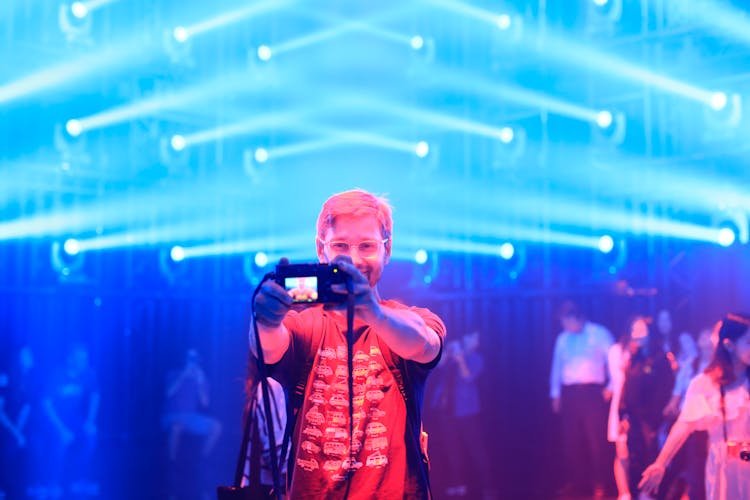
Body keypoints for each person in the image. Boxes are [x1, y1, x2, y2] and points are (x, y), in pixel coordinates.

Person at [250, 189, 446, 499]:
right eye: (340, 245)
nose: (353, 260)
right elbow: (268, 346)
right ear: (321, 249)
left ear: (387, 249)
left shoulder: (408, 318)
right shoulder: (305, 324)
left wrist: (374, 313)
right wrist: (265, 320)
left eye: (367, 246)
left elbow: (424, 343)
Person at [640, 313, 750, 500]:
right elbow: (684, 425)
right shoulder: (704, 382)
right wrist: (660, 463)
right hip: (724, 465)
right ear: (729, 344)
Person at [549, 300, 614, 498]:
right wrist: (555, 394)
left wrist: (611, 386)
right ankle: (577, 483)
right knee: (572, 441)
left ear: (576, 318)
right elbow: (557, 367)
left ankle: (600, 483)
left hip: (593, 393)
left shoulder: (599, 333)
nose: (565, 326)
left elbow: (614, 360)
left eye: (566, 321)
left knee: (597, 441)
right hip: (570, 393)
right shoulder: (563, 339)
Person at [617, 316, 674, 498]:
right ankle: (638, 493)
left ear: (650, 332)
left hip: (652, 420)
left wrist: (656, 420)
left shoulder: (660, 359)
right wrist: (623, 414)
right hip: (634, 420)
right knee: (634, 458)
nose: (636, 334)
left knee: (652, 457)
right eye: (634, 330)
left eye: (641, 330)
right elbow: (626, 387)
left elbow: (664, 390)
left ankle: (651, 494)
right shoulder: (634, 358)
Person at [42, 342, 100, 498]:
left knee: (91, 436)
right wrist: (61, 429)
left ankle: (80, 480)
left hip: (76, 419)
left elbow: (95, 396)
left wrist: (90, 421)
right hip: (55, 421)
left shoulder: (88, 374)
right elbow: (46, 405)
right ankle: (52, 483)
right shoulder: (57, 374)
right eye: (80, 359)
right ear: (70, 359)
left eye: (85, 359)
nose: (84, 362)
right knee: (62, 441)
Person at [163, 348, 222, 462]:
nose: (192, 362)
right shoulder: (174, 373)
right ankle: (172, 462)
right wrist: (183, 375)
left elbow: (205, 403)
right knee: (176, 427)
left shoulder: (201, 378)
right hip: (171, 416)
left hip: (190, 417)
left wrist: (200, 382)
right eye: (190, 358)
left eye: (195, 359)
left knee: (216, 427)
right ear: (184, 360)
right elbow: (168, 393)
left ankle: (202, 459)